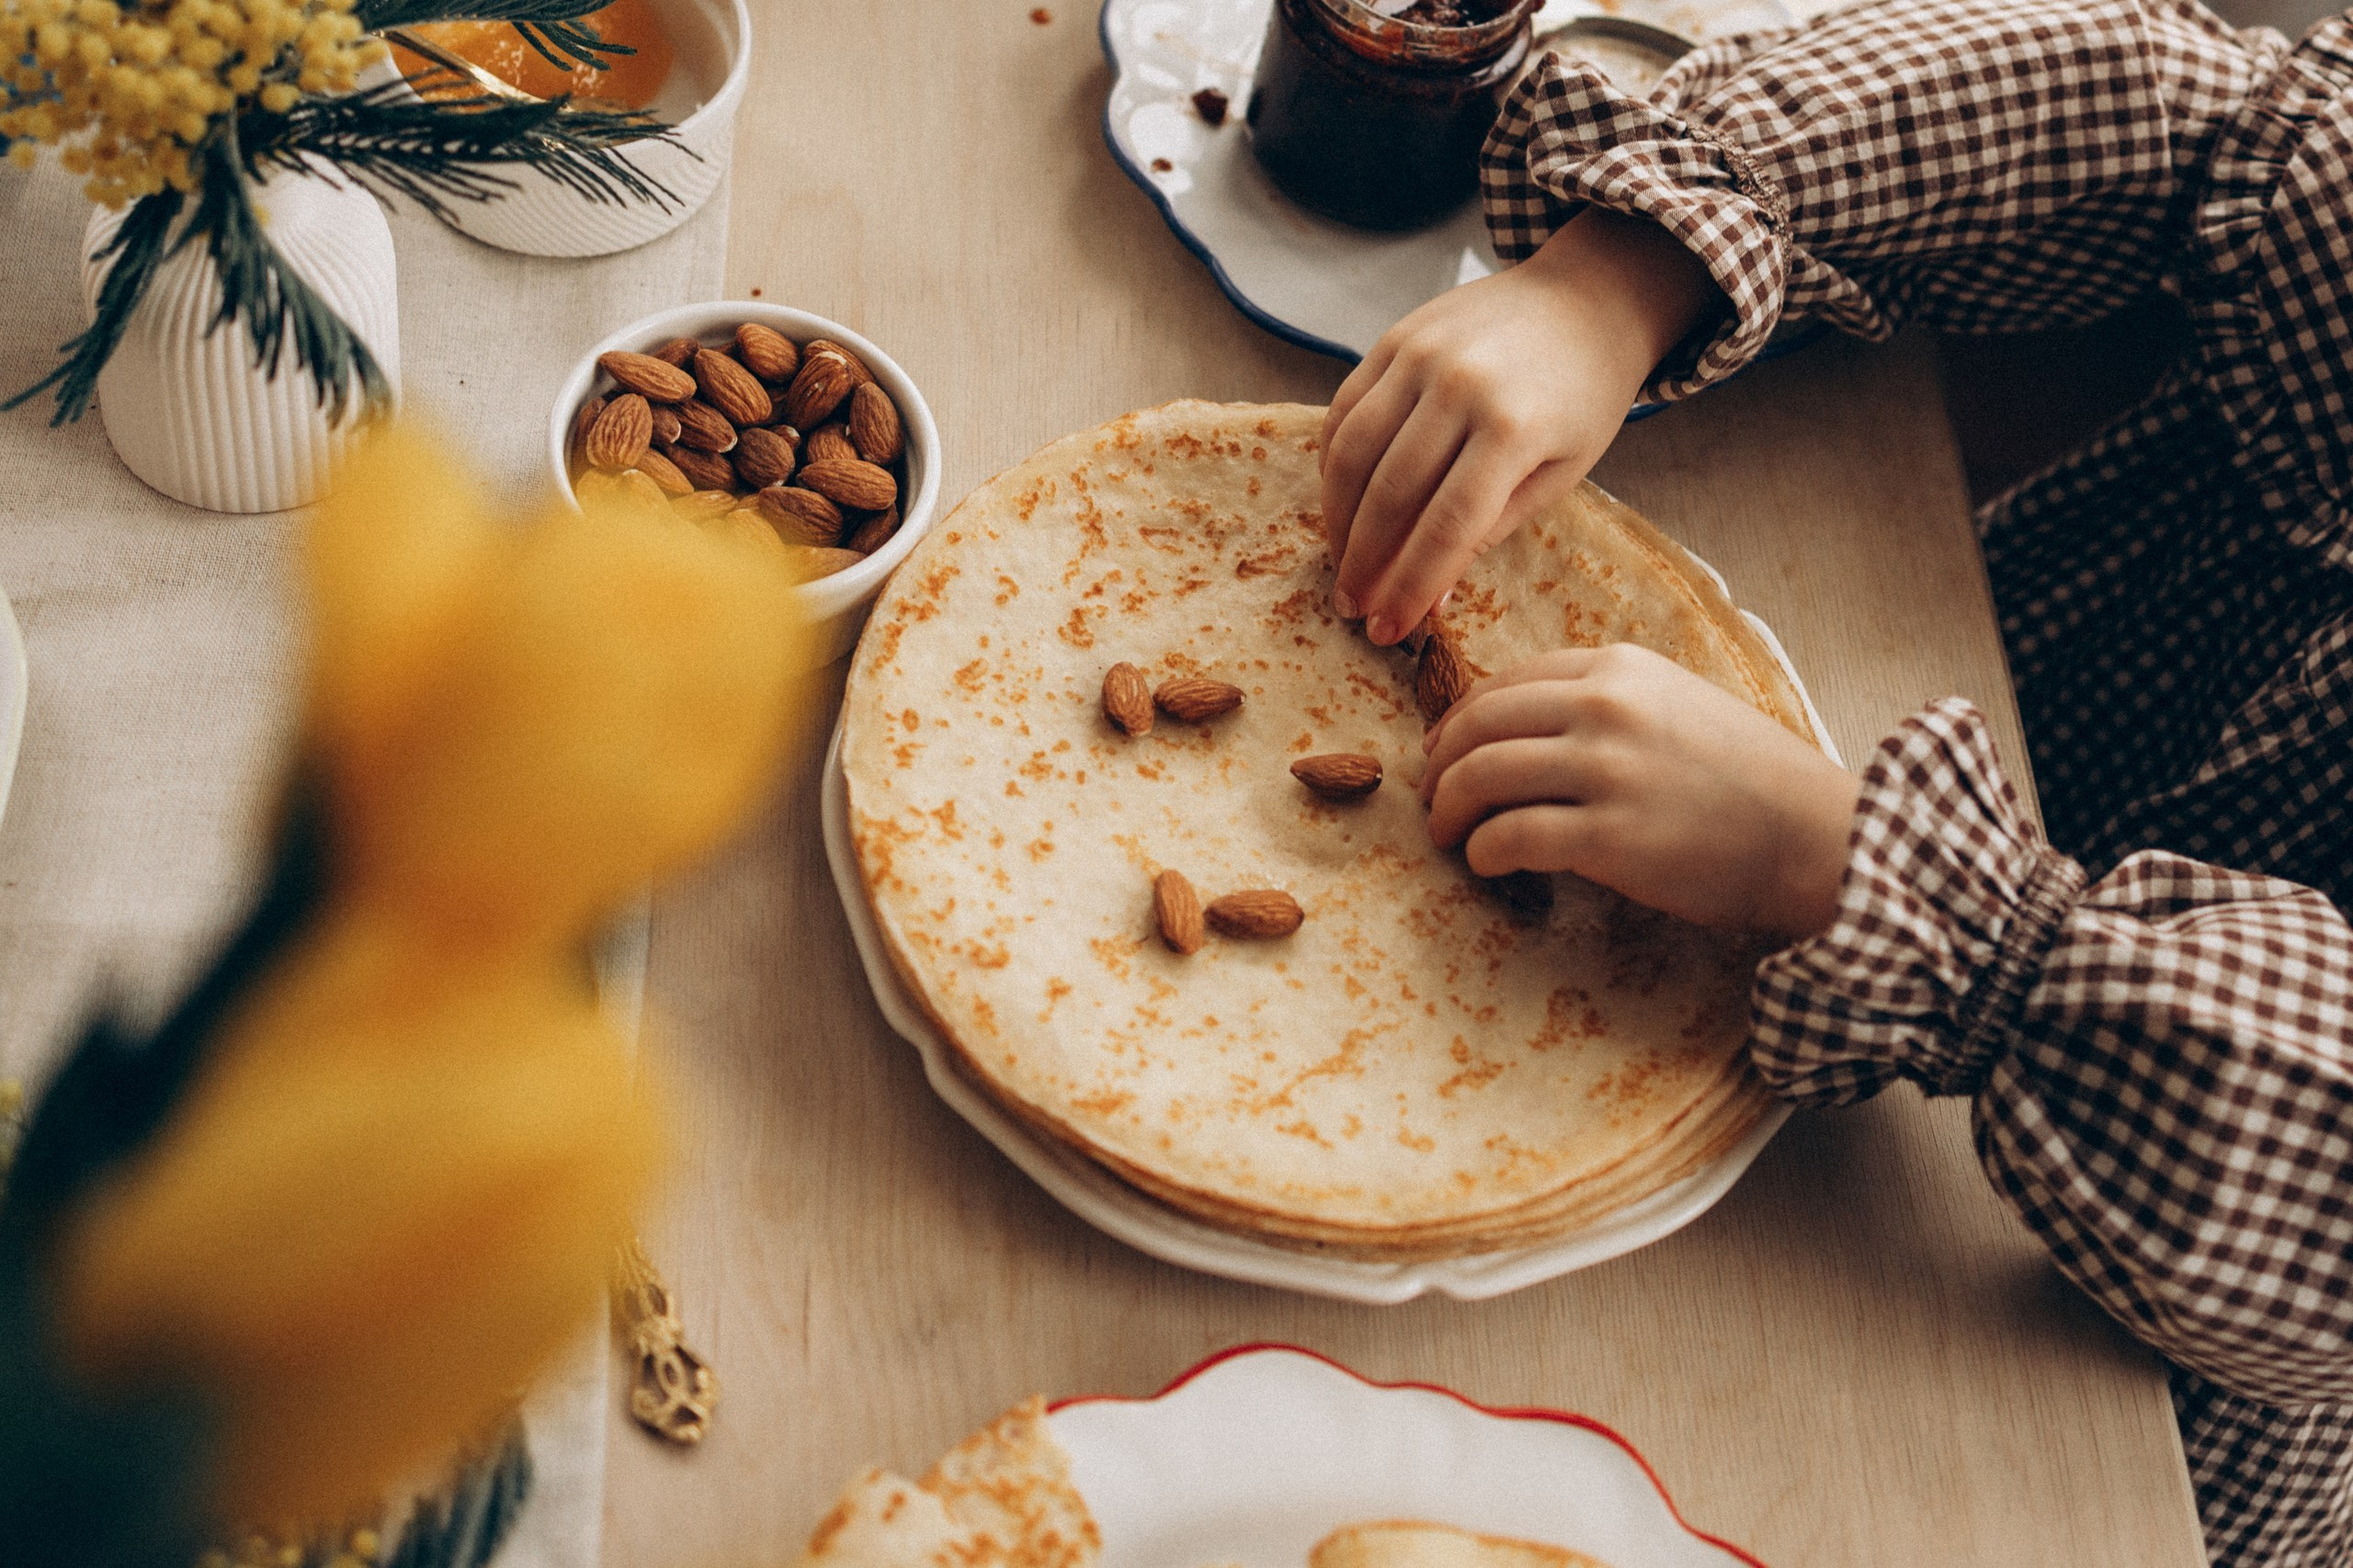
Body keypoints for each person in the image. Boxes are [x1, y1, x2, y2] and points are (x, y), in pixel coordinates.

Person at [1332, 0, 2353, 1562]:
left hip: (2099, 1372)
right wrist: (1633, 272)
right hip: (1899, 718)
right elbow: (2186, 112)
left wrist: (1875, 871)